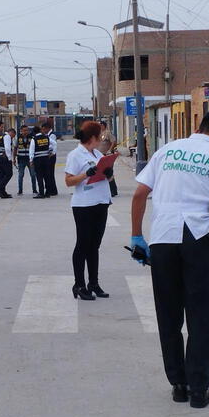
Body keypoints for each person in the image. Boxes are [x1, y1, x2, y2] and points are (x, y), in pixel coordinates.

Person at [130, 112, 209, 408]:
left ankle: (179, 385)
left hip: (163, 238)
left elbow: (139, 195)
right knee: (202, 316)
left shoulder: (167, 150)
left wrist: (137, 237)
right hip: (199, 238)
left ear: (197, 128)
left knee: (168, 314)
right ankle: (198, 388)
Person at [65, 121, 114, 301]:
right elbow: (69, 181)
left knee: (95, 246)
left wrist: (108, 173)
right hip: (84, 205)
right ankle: (79, 284)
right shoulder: (75, 155)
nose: (101, 139)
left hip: (101, 202)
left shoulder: (98, 153)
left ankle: (94, 283)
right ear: (92, 137)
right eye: (99, 136)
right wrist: (87, 174)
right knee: (83, 245)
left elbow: (108, 178)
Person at [29, 125, 51, 199]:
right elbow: (52, 146)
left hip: (38, 160)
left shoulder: (34, 139)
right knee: (47, 176)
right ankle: (47, 193)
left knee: (39, 176)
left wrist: (31, 160)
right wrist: (51, 152)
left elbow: (31, 150)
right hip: (46, 159)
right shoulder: (46, 137)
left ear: (34, 132)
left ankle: (41, 193)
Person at [15, 125, 37, 196]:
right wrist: (13, 159)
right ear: (21, 131)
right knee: (20, 175)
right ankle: (20, 190)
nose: (26, 132)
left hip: (29, 159)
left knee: (33, 175)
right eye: (24, 130)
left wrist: (33, 158)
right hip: (21, 159)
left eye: (27, 130)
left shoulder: (32, 138)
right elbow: (15, 148)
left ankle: (34, 190)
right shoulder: (18, 138)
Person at [99, 121, 118, 197]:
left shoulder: (107, 133)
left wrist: (110, 150)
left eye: (101, 125)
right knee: (102, 173)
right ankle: (106, 190)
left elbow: (113, 141)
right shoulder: (98, 133)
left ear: (104, 126)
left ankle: (113, 191)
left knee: (109, 172)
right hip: (100, 156)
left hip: (107, 155)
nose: (99, 126)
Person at [44, 122, 58, 196]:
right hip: (49, 155)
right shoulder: (47, 135)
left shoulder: (52, 135)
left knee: (50, 173)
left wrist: (52, 153)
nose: (43, 130)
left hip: (51, 155)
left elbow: (52, 145)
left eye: (44, 129)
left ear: (47, 128)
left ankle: (52, 190)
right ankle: (52, 189)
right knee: (49, 174)